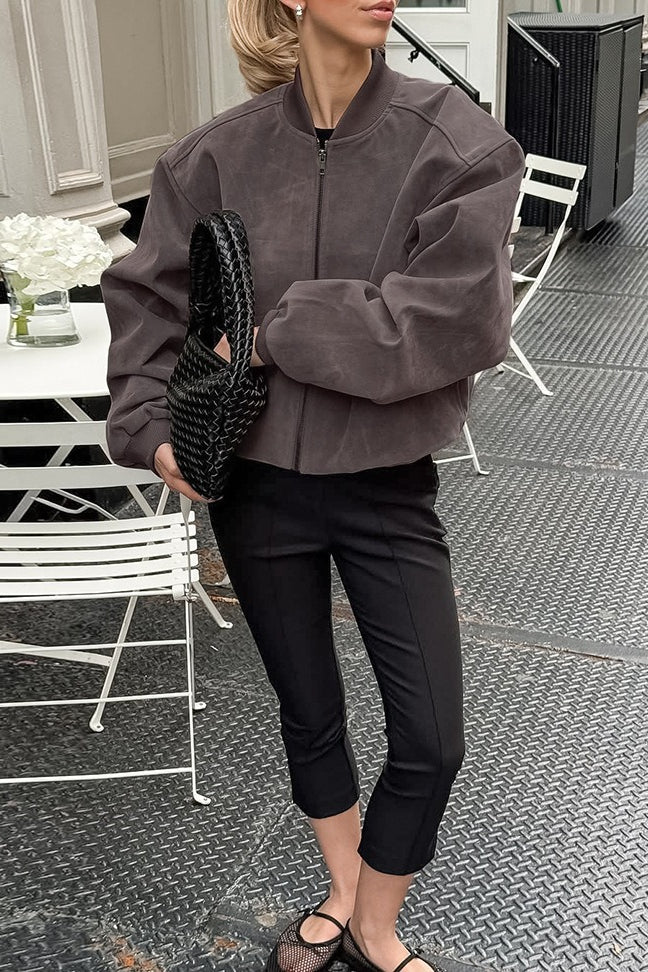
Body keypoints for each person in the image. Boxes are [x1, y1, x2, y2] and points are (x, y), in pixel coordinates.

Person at [101, 1, 525, 969]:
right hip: (255, 488)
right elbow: (148, 300)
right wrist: (151, 430)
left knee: (433, 737)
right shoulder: (214, 155)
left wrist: (273, 332)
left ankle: (376, 920)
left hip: (386, 485)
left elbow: (457, 318)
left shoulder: (457, 144)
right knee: (308, 711)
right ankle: (346, 898)